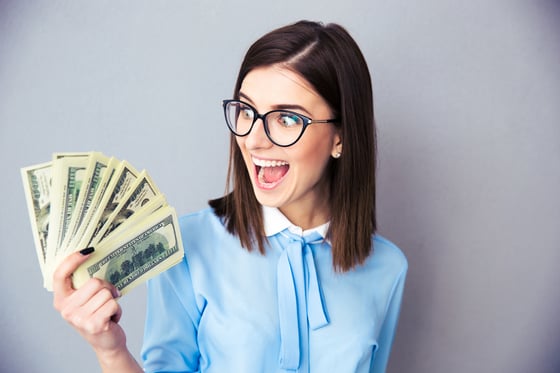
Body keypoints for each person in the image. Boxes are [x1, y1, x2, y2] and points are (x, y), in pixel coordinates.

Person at [53, 20, 408, 373]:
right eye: (247, 111)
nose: (254, 140)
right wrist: (110, 350)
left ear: (340, 137)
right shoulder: (187, 247)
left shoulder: (389, 269)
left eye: (286, 119)